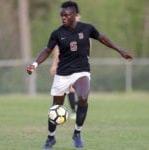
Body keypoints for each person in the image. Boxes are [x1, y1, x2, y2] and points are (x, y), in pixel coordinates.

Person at [26, 1, 133, 149]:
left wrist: (120, 50)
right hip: (62, 74)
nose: (63, 18)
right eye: (61, 15)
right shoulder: (57, 33)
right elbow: (47, 50)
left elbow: (102, 38)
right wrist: (35, 64)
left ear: (75, 15)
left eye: (66, 15)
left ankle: (77, 133)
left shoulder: (87, 28)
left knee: (83, 97)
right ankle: (50, 137)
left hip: (81, 71)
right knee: (56, 107)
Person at [50, 46, 77, 119]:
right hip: (62, 67)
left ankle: (74, 110)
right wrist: (54, 65)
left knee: (71, 89)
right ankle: (57, 110)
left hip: (75, 66)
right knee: (63, 90)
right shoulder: (61, 37)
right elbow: (57, 50)